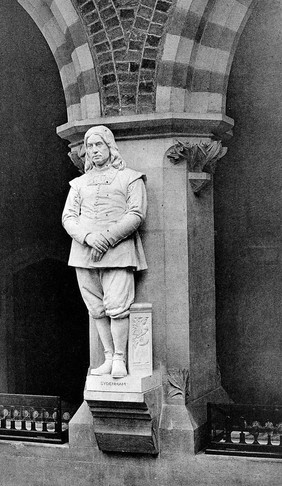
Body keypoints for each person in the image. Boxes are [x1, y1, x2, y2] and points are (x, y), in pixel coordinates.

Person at [62, 125, 147, 378]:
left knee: (118, 306)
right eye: (89, 146)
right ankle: (108, 357)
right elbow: (68, 217)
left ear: (110, 147)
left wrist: (107, 239)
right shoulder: (78, 183)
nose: (94, 150)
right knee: (96, 309)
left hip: (118, 252)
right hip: (84, 253)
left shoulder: (130, 177)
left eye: (99, 145)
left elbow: (136, 214)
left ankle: (120, 358)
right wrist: (88, 238)